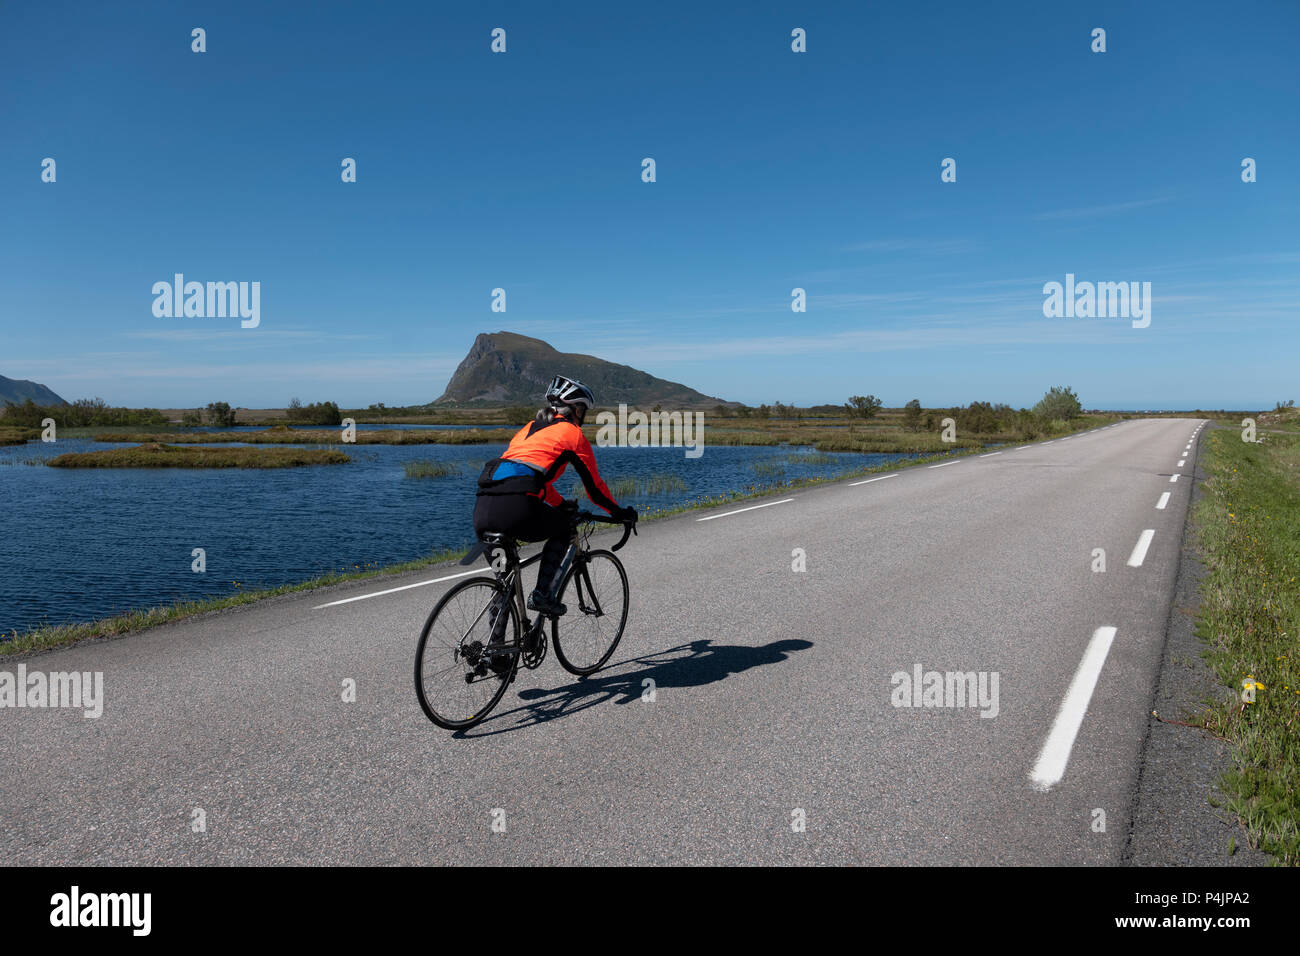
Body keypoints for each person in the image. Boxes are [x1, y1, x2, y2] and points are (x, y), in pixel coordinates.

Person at [473, 375, 636, 618]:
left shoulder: (528, 429)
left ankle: (494, 654)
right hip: (516, 509)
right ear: (577, 409)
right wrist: (620, 513)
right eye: (584, 411)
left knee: (503, 582)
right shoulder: (572, 434)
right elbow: (594, 489)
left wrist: (561, 504)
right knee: (564, 530)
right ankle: (543, 595)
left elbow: (528, 478)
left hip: (483, 511)